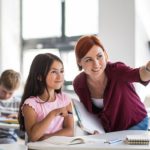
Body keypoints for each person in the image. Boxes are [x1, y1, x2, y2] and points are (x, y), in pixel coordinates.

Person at [73, 35, 150, 133]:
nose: (96, 64)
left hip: (136, 123)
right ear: (79, 62)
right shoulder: (79, 83)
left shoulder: (116, 70)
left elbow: (139, 74)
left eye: (99, 56)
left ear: (105, 55)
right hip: (110, 131)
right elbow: (90, 113)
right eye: (88, 60)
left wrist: (148, 68)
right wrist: (93, 128)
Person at [18, 53, 74, 142]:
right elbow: (33, 137)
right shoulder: (30, 104)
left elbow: (70, 131)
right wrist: (53, 113)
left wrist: (47, 138)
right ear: (39, 77)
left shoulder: (65, 99)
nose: (60, 76)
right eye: (54, 72)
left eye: (61, 71)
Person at [0, 69, 21, 144]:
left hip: (8, 137)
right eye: (3, 91)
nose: (6, 95)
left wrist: (19, 116)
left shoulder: (18, 103)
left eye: (10, 93)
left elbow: (25, 123)